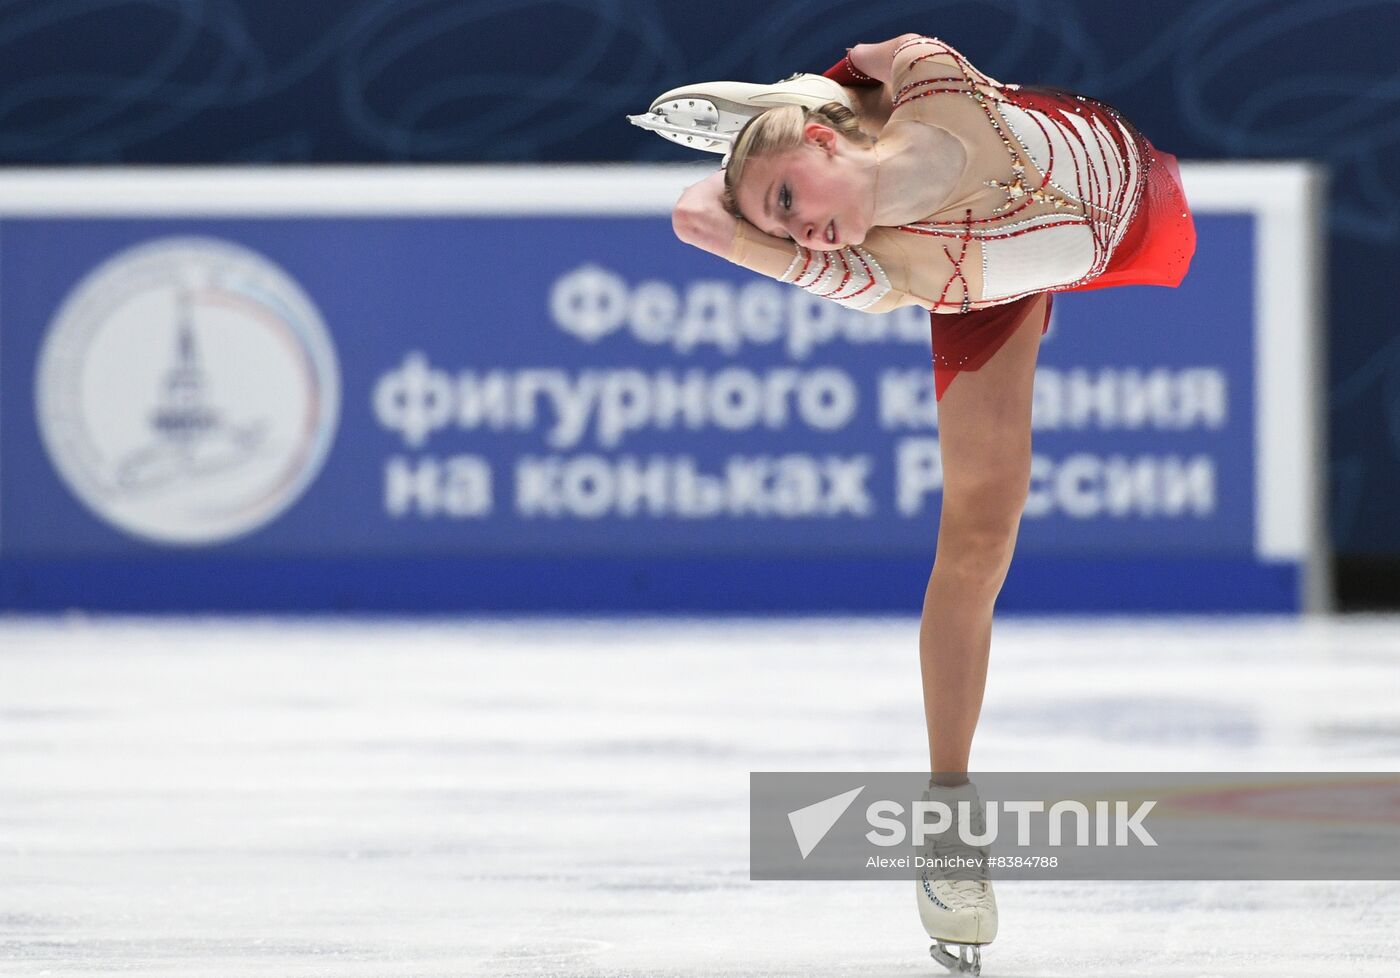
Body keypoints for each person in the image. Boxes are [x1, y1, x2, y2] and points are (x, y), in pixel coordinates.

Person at [636, 33, 1196, 975]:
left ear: (823, 144)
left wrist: (826, 85)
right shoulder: (881, 272)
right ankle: (950, 820)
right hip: (984, 287)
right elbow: (697, 214)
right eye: (776, 227)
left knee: (984, 527)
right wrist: (761, 170)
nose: (794, 233)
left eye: (788, 202)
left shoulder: (938, 81)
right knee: (978, 538)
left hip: (1096, 171)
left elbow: (885, 51)